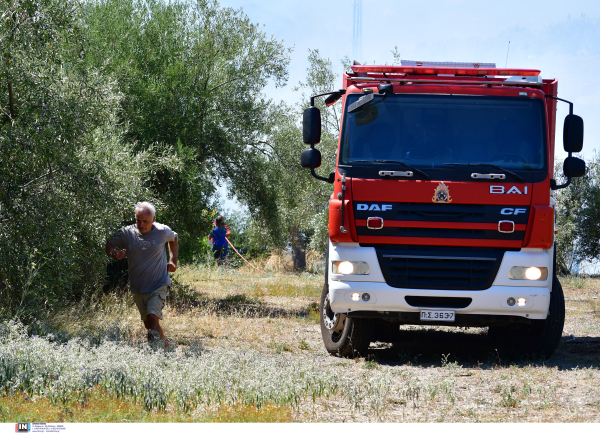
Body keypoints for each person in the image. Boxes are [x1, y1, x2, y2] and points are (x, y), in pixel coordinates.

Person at [105, 202, 178, 346]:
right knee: (148, 324)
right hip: (138, 286)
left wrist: (173, 261)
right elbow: (109, 244)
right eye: (138, 220)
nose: (141, 224)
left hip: (159, 283)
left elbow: (174, 239)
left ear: (153, 219)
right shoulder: (127, 232)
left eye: (145, 221)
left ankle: (153, 353)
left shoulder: (162, 231)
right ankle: (165, 344)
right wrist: (114, 253)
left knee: (152, 318)